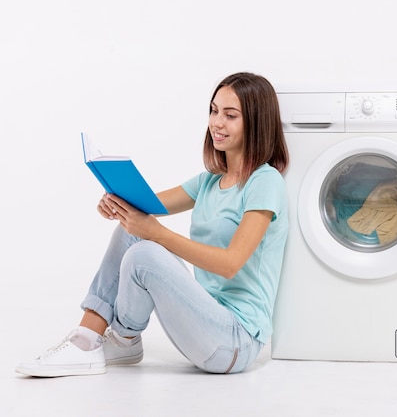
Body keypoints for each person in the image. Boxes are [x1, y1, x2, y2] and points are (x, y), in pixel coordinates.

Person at [16, 72, 289, 377]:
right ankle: (96, 338)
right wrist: (116, 202)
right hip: (204, 323)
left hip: (236, 342)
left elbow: (230, 264)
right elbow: (143, 206)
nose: (217, 123)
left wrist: (156, 233)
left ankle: (112, 340)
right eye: (214, 111)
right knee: (131, 232)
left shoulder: (265, 182)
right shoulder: (210, 182)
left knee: (144, 251)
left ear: (255, 122)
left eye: (230, 115)